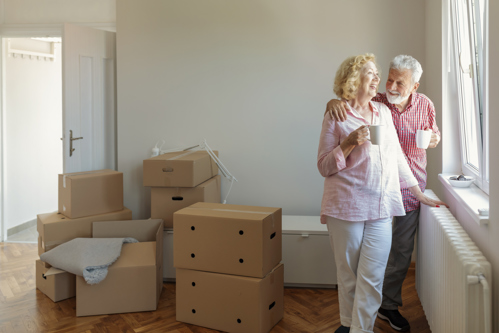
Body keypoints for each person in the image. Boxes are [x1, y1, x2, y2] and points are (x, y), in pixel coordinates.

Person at [317, 53, 446, 333]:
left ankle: (361, 330)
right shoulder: (337, 113)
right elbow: (324, 166)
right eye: (374, 74)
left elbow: (398, 156)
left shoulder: (383, 112)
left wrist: (418, 193)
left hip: (382, 205)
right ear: (354, 79)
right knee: (349, 274)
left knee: (372, 276)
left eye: (379, 74)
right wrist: (350, 142)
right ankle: (349, 323)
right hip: (346, 207)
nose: (380, 80)